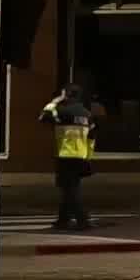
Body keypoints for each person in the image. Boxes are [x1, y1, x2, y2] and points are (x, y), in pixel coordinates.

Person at [39, 84, 96, 230]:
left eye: (63, 94)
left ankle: (83, 219)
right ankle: (63, 219)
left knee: (70, 190)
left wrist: (55, 100)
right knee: (69, 188)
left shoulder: (62, 112)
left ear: (67, 95)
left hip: (65, 155)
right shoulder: (87, 114)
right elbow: (92, 138)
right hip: (81, 156)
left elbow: (43, 116)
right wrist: (88, 157)